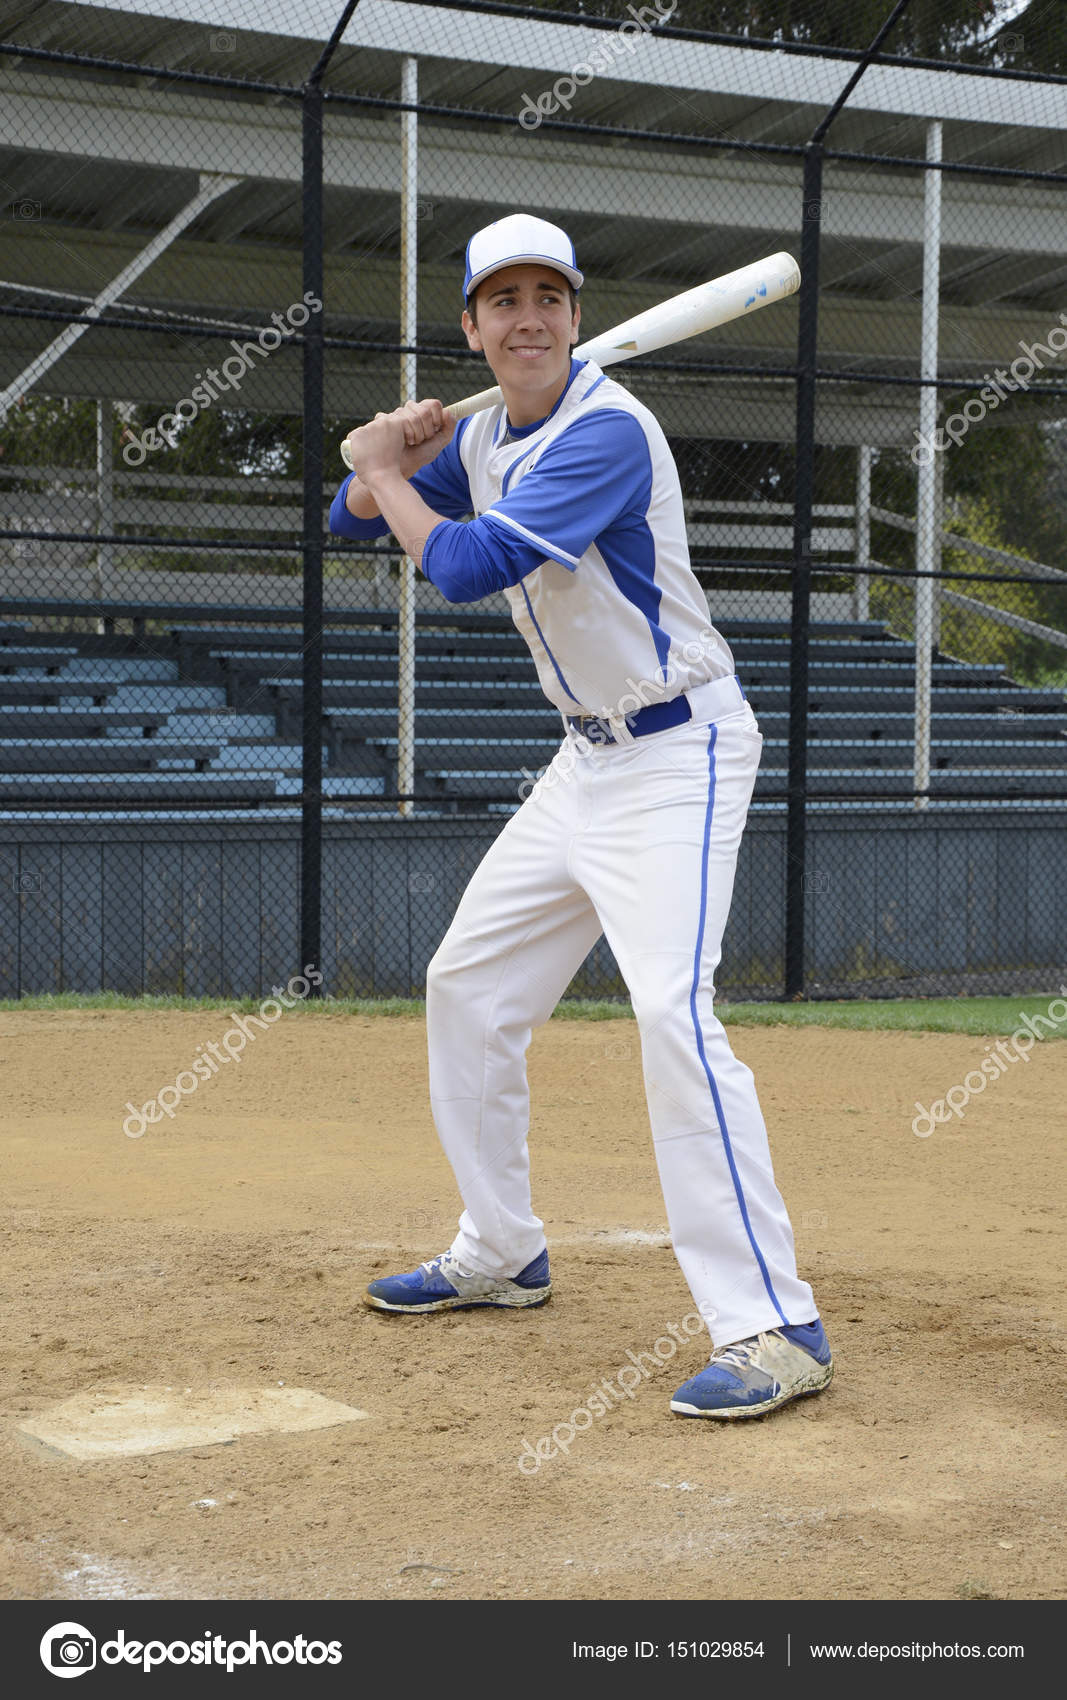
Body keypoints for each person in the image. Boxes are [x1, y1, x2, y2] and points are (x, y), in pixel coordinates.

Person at [329, 213, 832, 1419]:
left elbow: (455, 566)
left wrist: (389, 473)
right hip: (581, 761)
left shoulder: (605, 427)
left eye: (547, 298)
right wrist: (384, 458)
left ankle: (773, 1325)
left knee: (670, 1009)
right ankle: (499, 1249)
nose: (528, 319)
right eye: (501, 302)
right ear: (472, 327)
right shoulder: (490, 427)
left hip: (679, 747)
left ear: (571, 313)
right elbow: (345, 517)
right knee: (467, 982)